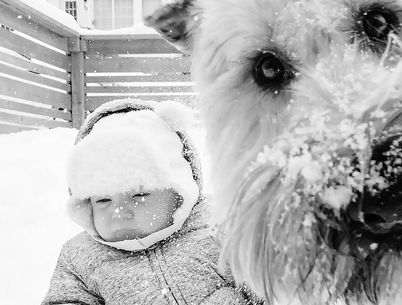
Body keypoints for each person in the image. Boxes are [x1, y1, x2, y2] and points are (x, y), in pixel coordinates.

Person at [42, 99, 256, 305]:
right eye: (103, 200)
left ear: (179, 190)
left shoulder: (223, 229)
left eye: (139, 196)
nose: (120, 212)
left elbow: (272, 287)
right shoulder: (79, 258)